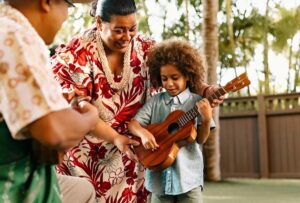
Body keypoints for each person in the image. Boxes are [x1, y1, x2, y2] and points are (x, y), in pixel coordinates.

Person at [51, 0, 222, 202]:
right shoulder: (75, 55)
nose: (127, 37)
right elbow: (78, 108)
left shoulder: (146, 48)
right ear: (99, 22)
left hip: (135, 151)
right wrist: (115, 137)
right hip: (86, 159)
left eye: (132, 28)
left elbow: (177, 72)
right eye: (119, 30)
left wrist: (205, 89)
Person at [0, 0, 138, 202]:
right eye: (68, 6)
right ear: (46, 3)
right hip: (11, 185)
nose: (66, 16)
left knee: (82, 189)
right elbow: (53, 132)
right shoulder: (15, 37)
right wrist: (90, 117)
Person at [128, 38, 215, 203]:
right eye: (164, 78)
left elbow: (201, 140)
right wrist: (144, 134)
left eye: (175, 77)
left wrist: (207, 118)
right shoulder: (155, 102)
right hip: (158, 180)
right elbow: (133, 124)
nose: (169, 84)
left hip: (188, 180)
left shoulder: (197, 102)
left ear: (188, 76)